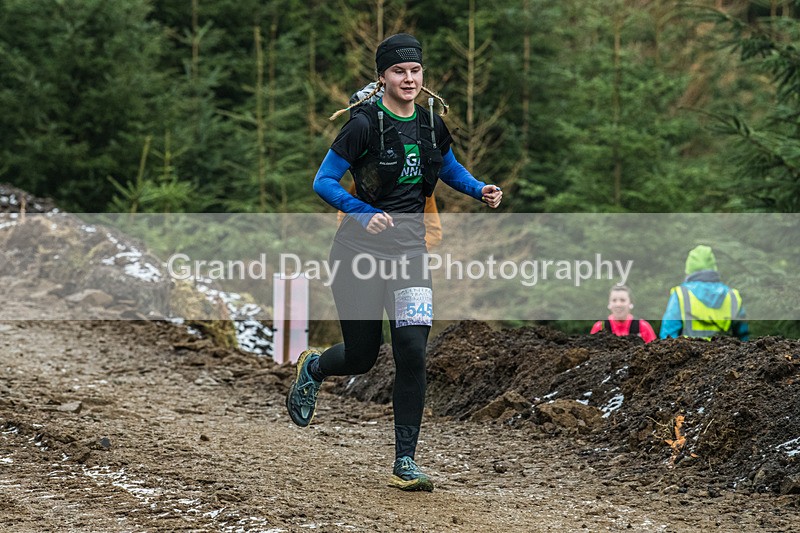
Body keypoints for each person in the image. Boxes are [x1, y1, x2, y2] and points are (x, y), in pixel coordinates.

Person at [286, 33, 503, 492]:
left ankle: (405, 460)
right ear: (383, 76)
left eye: (415, 71)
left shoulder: (430, 123)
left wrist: (478, 188)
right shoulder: (363, 124)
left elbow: (447, 168)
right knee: (363, 356)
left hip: (410, 255)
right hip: (357, 255)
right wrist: (365, 215)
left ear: (423, 76)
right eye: (399, 71)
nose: (409, 78)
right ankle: (315, 367)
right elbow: (323, 181)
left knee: (412, 352)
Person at [659, 245, 749, 340]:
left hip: (688, 353)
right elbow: (743, 336)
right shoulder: (732, 296)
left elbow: (668, 335)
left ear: (689, 269)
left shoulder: (681, 294)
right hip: (725, 353)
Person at [590, 285, 656, 343]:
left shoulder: (643, 327)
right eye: (614, 300)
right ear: (609, 304)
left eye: (623, 300)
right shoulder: (600, 327)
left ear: (631, 303)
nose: (618, 304)